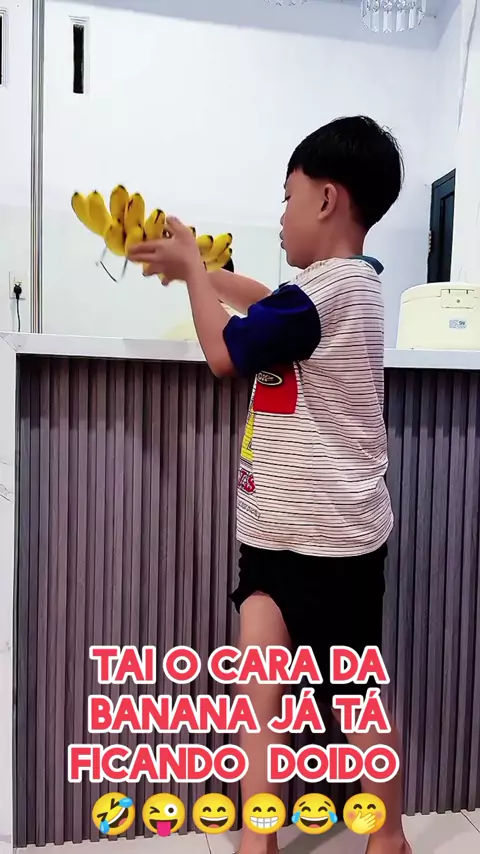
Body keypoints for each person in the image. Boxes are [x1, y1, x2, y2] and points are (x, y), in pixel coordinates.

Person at [128, 115, 411, 854]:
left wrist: (196, 277)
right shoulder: (327, 289)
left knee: (352, 700)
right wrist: (199, 270)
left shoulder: (332, 292)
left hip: (331, 543)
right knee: (259, 693)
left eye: (287, 197)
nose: (280, 214)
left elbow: (225, 353)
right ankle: (260, 838)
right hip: (275, 533)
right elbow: (265, 304)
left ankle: (389, 837)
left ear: (326, 199)